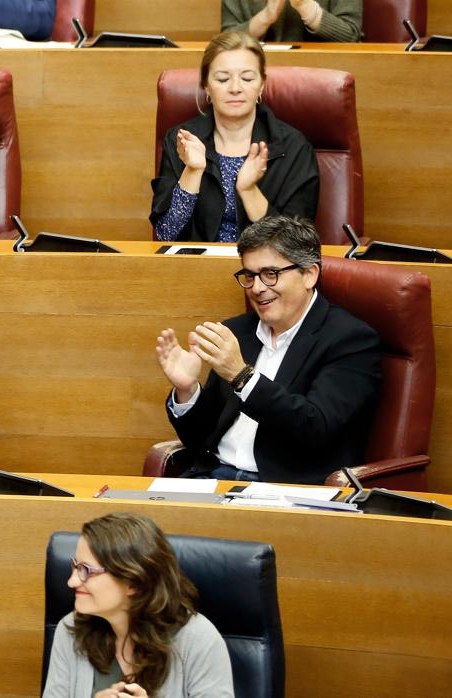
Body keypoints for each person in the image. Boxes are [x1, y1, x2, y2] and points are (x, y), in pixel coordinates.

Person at [155, 216, 381, 484]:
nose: (258, 288)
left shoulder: (350, 339)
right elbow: (199, 438)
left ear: (309, 274)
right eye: (249, 276)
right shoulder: (238, 332)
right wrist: (187, 390)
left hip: (283, 489)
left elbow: (315, 427)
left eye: (271, 274)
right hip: (213, 479)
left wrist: (242, 376)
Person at [150, 31, 320, 243]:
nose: (235, 88)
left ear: (262, 84)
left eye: (247, 78)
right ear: (206, 86)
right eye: (222, 79)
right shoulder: (182, 140)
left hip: (264, 273)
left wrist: (249, 191)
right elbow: (166, 234)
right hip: (196, 268)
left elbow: (297, 246)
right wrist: (192, 171)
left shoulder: (293, 147)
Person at [42, 512, 234, 698]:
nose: (72, 581)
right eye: (75, 566)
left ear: (133, 582)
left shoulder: (198, 639)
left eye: (85, 570)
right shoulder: (72, 630)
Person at [222, 0, 362, 43]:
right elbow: (224, 43)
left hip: (326, 70)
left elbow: (351, 37)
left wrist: (307, 8)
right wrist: (266, 17)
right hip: (254, 73)